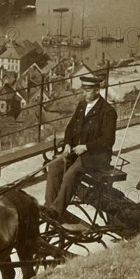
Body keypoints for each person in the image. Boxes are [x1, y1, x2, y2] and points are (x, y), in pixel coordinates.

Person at [43, 75, 117, 224]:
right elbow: (70, 128)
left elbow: (108, 140)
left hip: (97, 156)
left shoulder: (107, 111)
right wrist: (68, 143)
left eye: (88, 90)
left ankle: (57, 211)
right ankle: (49, 207)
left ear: (97, 90)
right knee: (54, 166)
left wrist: (86, 147)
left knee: (72, 173)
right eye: (83, 89)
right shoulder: (82, 106)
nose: (84, 93)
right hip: (77, 152)